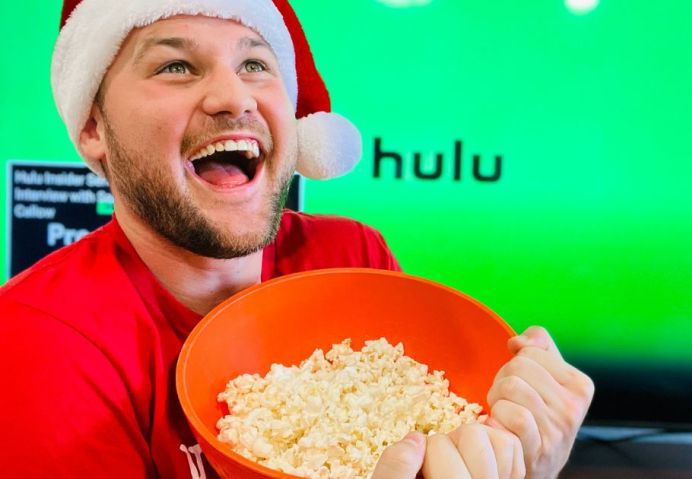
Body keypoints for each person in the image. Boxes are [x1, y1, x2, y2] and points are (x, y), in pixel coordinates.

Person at [0, 0, 594, 477]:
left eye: (256, 64)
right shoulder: (36, 343)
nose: (234, 97)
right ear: (92, 128)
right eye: (175, 66)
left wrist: (529, 462)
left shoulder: (354, 258)